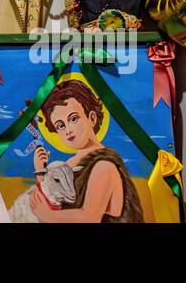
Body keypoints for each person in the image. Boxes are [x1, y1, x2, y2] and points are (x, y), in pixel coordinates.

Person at [29, 80, 143, 223]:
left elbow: (89, 217)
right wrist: (40, 171)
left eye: (74, 119)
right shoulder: (69, 164)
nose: (68, 129)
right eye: (60, 125)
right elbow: (56, 201)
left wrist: (47, 216)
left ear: (92, 118)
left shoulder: (104, 165)